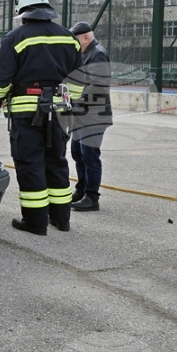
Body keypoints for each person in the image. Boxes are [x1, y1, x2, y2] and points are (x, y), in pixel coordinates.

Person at [0, 0, 84, 235]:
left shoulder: (15, 38)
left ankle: (35, 221)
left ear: (22, 9)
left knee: (31, 163)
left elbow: (1, 79)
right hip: (60, 112)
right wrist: (67, 102)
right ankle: (61, 220)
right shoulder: (68, 37)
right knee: (57, 162)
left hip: (27, 113)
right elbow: (79, 79)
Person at [68, 21, 113, 212]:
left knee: (90, 156)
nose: (74, 44)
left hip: (93, 116)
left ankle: (92, 197)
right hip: (83, 115)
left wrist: (78, 103)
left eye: (75, 40)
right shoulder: (86, 54)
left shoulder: (97, 54)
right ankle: (82, 189)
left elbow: (98, 85)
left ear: (86, 37)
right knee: (78, 153)